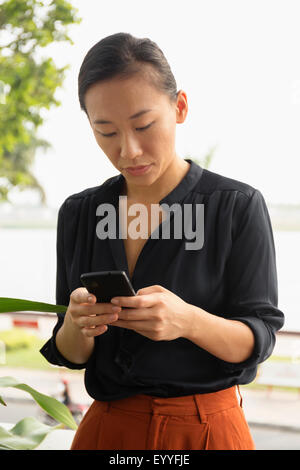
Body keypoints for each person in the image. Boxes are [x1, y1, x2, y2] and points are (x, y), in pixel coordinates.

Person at [40, 32, 284, 450]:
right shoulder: (79, 213)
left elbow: (259, 338)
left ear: (180, 107)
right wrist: (79, 326)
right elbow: (72, 352)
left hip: (206, 429)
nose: (129, 150)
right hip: (108, 430)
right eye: (106, 132)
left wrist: (188, 321)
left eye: (143, 125)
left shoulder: (236, 206)